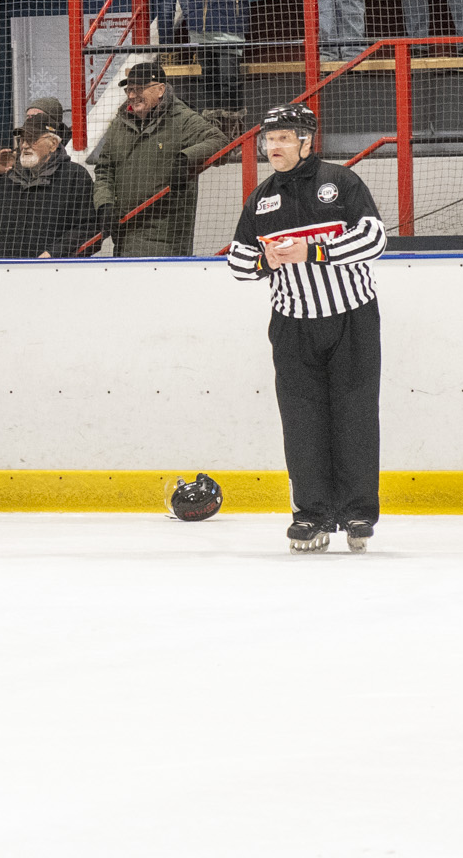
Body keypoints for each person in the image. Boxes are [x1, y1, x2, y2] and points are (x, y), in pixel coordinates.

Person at [225, 101, 388, 552]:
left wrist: (313, 252)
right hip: (292, 325)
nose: (272, 147)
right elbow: (237, 261)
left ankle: (357, 512)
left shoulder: (340, 182)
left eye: (281, 139)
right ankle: (312, 514)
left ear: (305, 141)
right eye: (267, 140)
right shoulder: (262, 198)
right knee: (301, 422)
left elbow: (375, 238)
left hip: (351, 318)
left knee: (354, 415)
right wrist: (264, 259)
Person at [89, 59, 224, 256]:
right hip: (124, 231)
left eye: (139, 89)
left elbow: (219, 141)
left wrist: (186, 158)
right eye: (129, 90)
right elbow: (104, 169)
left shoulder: (183, 119)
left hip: (167, 238)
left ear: (160, 89)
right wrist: (105, 203)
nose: (133, 96)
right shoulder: (119, 124)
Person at [0, 120, 100, 258]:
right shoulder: (9, 177)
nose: (24, 145)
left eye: (32, 139)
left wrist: (53, 254)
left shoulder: (75, 176)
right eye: (22, 139)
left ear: (53, 144)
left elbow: (88, 227)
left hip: (58, 270)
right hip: (8, 272)